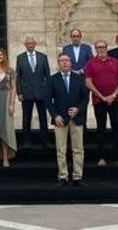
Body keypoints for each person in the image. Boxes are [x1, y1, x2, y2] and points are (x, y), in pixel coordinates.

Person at [84, 39, 118, 167]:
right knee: (101, 129)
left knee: (117, 129)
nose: (101, 49)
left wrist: (113, 95)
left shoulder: (115, 62)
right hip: (99, 101)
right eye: (98, 47)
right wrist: (102, 97)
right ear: (95, 49)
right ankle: (101, 157)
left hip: (116, 100)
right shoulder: (90, 63)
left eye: (103, 47)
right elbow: (88, 82)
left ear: (107, 48)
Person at [48, 52, 88, 187]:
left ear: (71, 63)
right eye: (61, 61)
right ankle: (63, 176)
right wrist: (55, 115)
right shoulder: (52, 79)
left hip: (76, 118)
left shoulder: (79, 79)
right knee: (61, 149)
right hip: (60, 119)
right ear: (58, 64)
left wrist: (78, 109)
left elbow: (85, 98)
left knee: (78, 149)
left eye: (66, 60)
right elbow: (48, 100)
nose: (64, 63)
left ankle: (77, 177)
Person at [16, 35, 51, 149]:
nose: (30, 45)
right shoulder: (20, 58)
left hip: (41, 92)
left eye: (32, 43)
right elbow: (18, 77)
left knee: (43, 118)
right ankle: (26, 142)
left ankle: (45, 141)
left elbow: (48, 76)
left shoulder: (43, 57)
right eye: (28, 44)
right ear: (25, 45)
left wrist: (48, 91)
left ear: (35, 44)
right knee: (26, 118)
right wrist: (19, 92)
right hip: (26, 93)